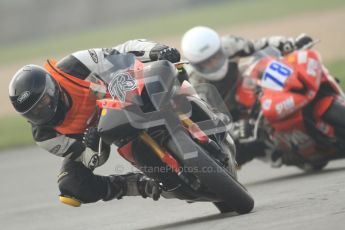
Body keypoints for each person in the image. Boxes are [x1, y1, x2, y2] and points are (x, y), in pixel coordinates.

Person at [8, 39, 181, 205]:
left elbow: (117, 55)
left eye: (42, 102)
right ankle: (139, 184)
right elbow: (94, 158)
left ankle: (202, 111)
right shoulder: (45, 136)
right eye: (33, 112)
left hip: (127, 97)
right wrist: (91, 147)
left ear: (51, 87)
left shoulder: (73, 67)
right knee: (71, 186)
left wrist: (156, 52)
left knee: (154, 61)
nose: (41, 112)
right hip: (98, 133)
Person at [181, 26, 313, 166]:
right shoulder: (193, 82)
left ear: (220, 49)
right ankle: (275, 155)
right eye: (206, 63)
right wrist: (235, 129)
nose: (214, 64)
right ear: (195, 65)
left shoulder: (230, 44)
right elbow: (208, 118)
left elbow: (259, 45)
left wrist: (289, 43)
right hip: (224, 112)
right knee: (237, 147)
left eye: (216, 57)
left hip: (245, 86)